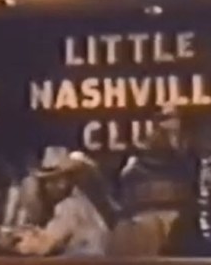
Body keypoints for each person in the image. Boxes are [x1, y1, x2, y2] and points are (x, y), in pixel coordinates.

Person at [111, 104, 198, 256]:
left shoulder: (190, 153)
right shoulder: (140, 154)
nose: (171, 123)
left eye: (174, 118)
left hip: (178, 218)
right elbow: (125, 177)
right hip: (144, 217)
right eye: (165, 118)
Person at [15, 146, 110, 256]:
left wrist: (16, 242)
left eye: (53, 181)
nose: (47, 187)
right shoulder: (82, 203)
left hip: (82, 264)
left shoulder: (69, 207)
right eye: (47, 182)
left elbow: (44, 246)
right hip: (92, 262)